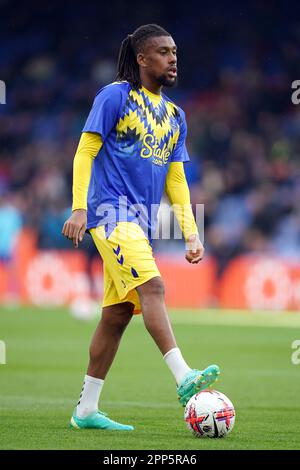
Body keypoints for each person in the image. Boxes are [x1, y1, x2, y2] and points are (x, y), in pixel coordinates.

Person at [62, 24, 220, 431]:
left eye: (175, 52)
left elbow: (176, 180)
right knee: (154, 287)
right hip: (110, 215)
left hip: (141, 225)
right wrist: (79, 208)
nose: (173, 59)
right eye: (164, 52)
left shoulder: (175, 115)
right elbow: (85, 151)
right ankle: (184, 376)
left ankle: (85, 411)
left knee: (116, 316)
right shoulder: (115, 96)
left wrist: (190, 231)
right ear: (142, 58)